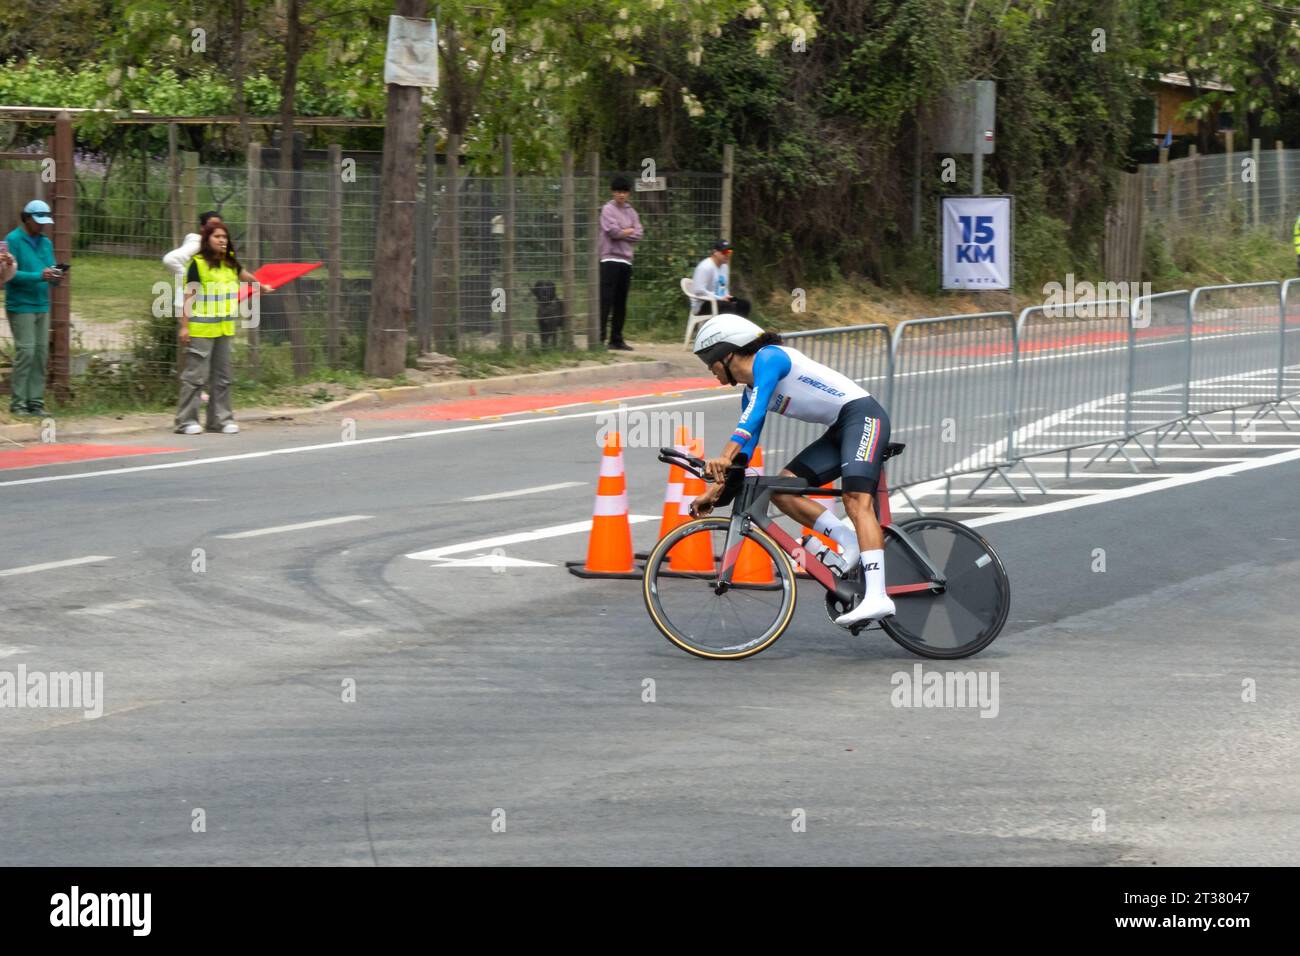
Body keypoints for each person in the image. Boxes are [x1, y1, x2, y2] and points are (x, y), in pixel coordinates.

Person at [688, 314, 895, 627]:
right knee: (782, 491)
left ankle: (877, 596)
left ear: (726, 353)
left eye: (710, 362)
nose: (711, 371)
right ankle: (848, 541)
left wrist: (723, 454)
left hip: (863, 417)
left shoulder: (770, 358)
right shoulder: (749, 392)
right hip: (839, 429)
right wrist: (715, 493)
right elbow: (744, 454)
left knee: (855, 499)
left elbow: (753, 417)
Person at [175, 220, 265, 435]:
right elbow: (189, 296)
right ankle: (186, 421)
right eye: (217, 237)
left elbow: (245, 276)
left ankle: (220, 420)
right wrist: (185, 327)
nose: (222, 240)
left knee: (223, 377)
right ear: (207, 240)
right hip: (201, 330)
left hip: (224, 329)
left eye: (225, 237)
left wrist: (261, 285)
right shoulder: (197, 264)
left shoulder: (230, 262)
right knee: (195, 377)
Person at [3, 200, 60, 417]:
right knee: (26, 352)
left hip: (41, 304)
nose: (42, 226)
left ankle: (35, 402)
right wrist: (39, 275)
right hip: (21, 305)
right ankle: (18, 404)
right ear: (26, 218)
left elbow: (51, 269)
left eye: (44, 222)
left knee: (40, 354)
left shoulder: (45, 242)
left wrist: (56, 276)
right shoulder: (12, 240)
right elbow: (10, 275)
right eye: (38, 221)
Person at [597, 175, 643, 350]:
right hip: (609, 259)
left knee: (621, 301)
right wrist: (628, 231)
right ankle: (599, 338)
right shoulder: (607, 209)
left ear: (628, 193)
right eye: (618, 192)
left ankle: (616, 339)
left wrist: (625, 232)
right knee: (605, 300)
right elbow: (612, 231)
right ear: (613, 192)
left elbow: (639, 233)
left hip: (626, 261)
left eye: (624, 192)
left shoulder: (632, 212)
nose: (621, 195)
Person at [164, 210, 223, 314]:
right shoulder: (197, 244)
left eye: (219, 225)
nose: (216, 228)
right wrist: (192, 282)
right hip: (189, 304)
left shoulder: (212, 247)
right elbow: (170, 259)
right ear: (202, 228)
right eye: (212, 225)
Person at [691, 239, 750, 317]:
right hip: (703, 304)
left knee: (744, 304)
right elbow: (699, 291)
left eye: (729, 252)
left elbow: (723, 287)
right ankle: (726, 328)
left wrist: (728, 297)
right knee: (729, 307)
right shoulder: (705, 267)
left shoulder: (724, 267)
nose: (727, 255)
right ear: (715, 252)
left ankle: (737, 328)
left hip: (719, 300)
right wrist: (719, 298)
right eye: (724, 252)